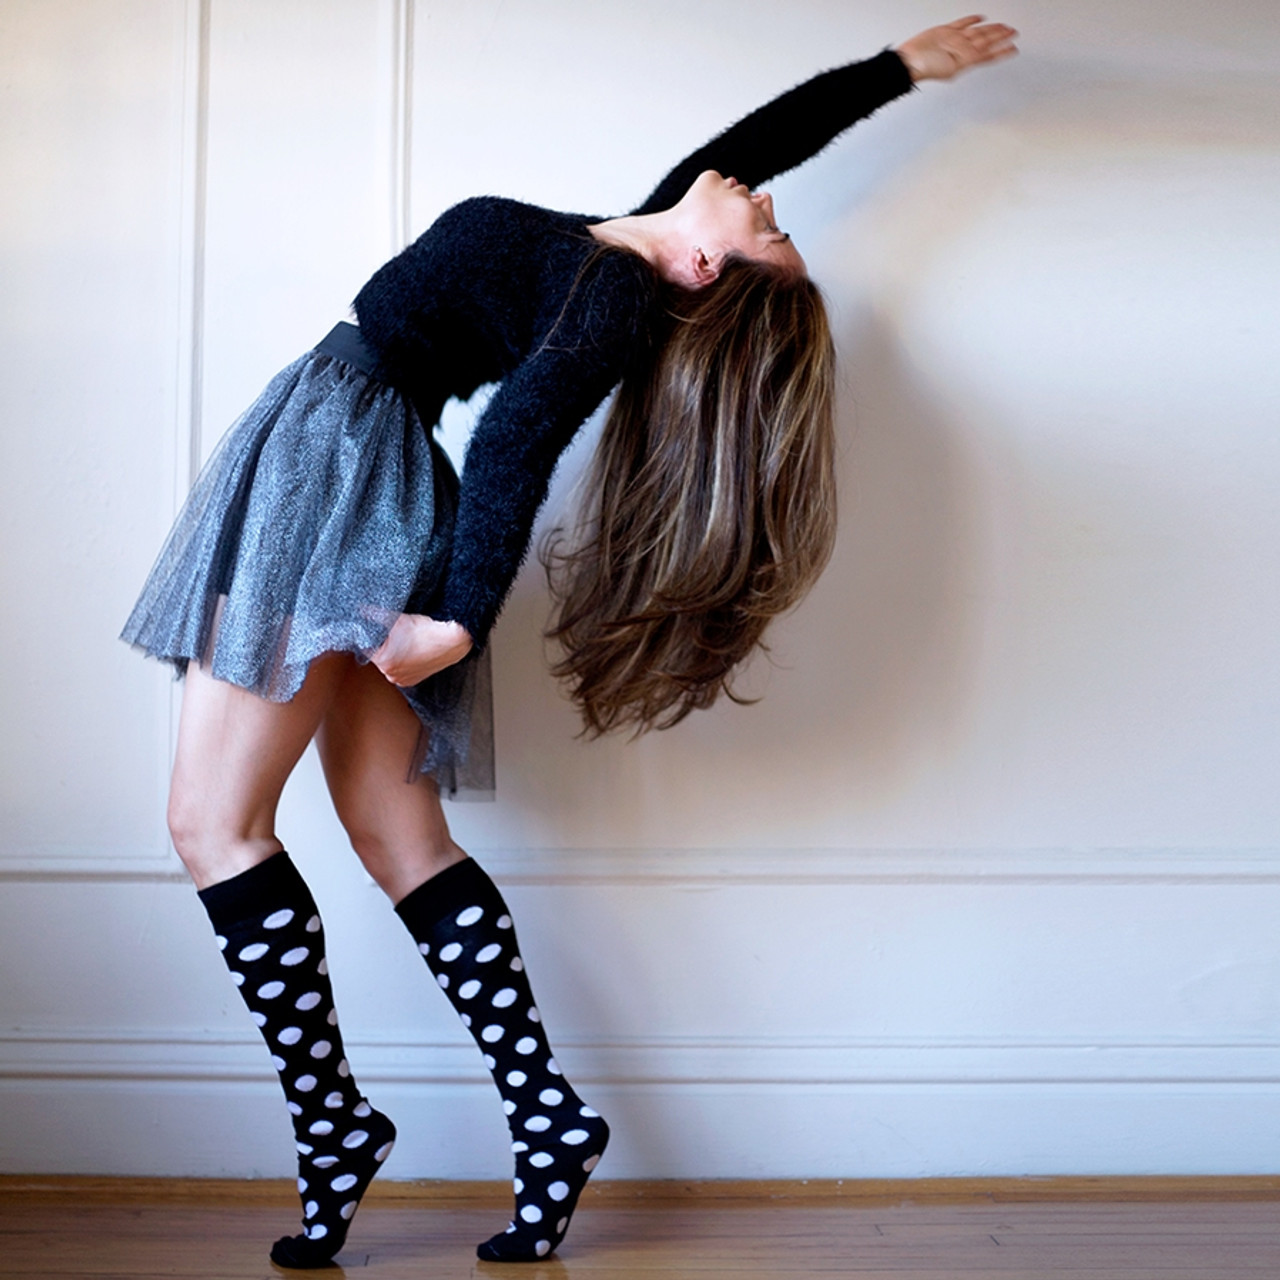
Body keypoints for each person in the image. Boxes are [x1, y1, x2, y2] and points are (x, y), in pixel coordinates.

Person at [121, 15, 1018, 1267]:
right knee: (396, 833)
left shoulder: (608, 296)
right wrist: (896, 73)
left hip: (338, 469)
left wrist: (459, 615)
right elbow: (747, 146)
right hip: (375, 479)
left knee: (213, 826)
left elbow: (516, 438)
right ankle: (547, 1117)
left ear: (704, 270)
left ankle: (333, 1124)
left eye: (766, 226)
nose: (759, 197)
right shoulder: (621, 253)